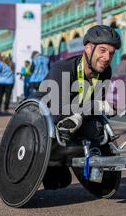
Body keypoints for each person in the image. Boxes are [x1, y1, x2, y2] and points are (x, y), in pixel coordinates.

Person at [36, 25, 121, 190]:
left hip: (76, 119)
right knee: (69, 125)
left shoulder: (104, 71)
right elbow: (59, 114)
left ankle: (88, 167)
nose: (106, 57)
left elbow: (94, 110)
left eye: (111, 53)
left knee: (97, 129)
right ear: (88, 48)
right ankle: (53, 163)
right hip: (44, 123)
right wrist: (95, 106)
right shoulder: (62, 69)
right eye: (102, 50)